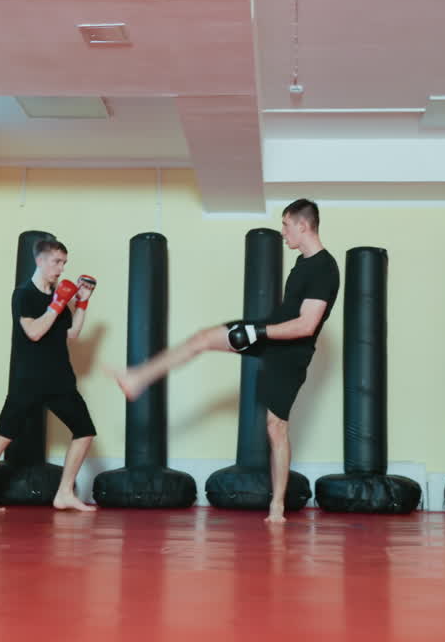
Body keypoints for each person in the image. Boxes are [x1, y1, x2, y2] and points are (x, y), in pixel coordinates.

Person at [109, 199, 339, 523]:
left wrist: (258, 331)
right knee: (204, 338)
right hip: (270, 335)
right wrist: (258, 332)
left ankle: (277, 507)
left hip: (291, 354)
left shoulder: (325, 268)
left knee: (276, 427)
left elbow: (305, 325)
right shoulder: (302, 263)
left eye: (286, 224)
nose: (283, 231)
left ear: (303, 225)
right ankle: (138, 377)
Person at [0, 238, 99, 512]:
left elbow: (71, 335)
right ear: (39, 261)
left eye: (64, 263)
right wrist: (58, 303)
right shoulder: (23, 294)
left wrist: (82, 305)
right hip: (28, 378)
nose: (61, 269)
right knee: (5, 434)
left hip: (59, 378)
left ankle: (64, 493)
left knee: (85, 431)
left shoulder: (56, 296)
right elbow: (34, 332)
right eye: (56, 262)